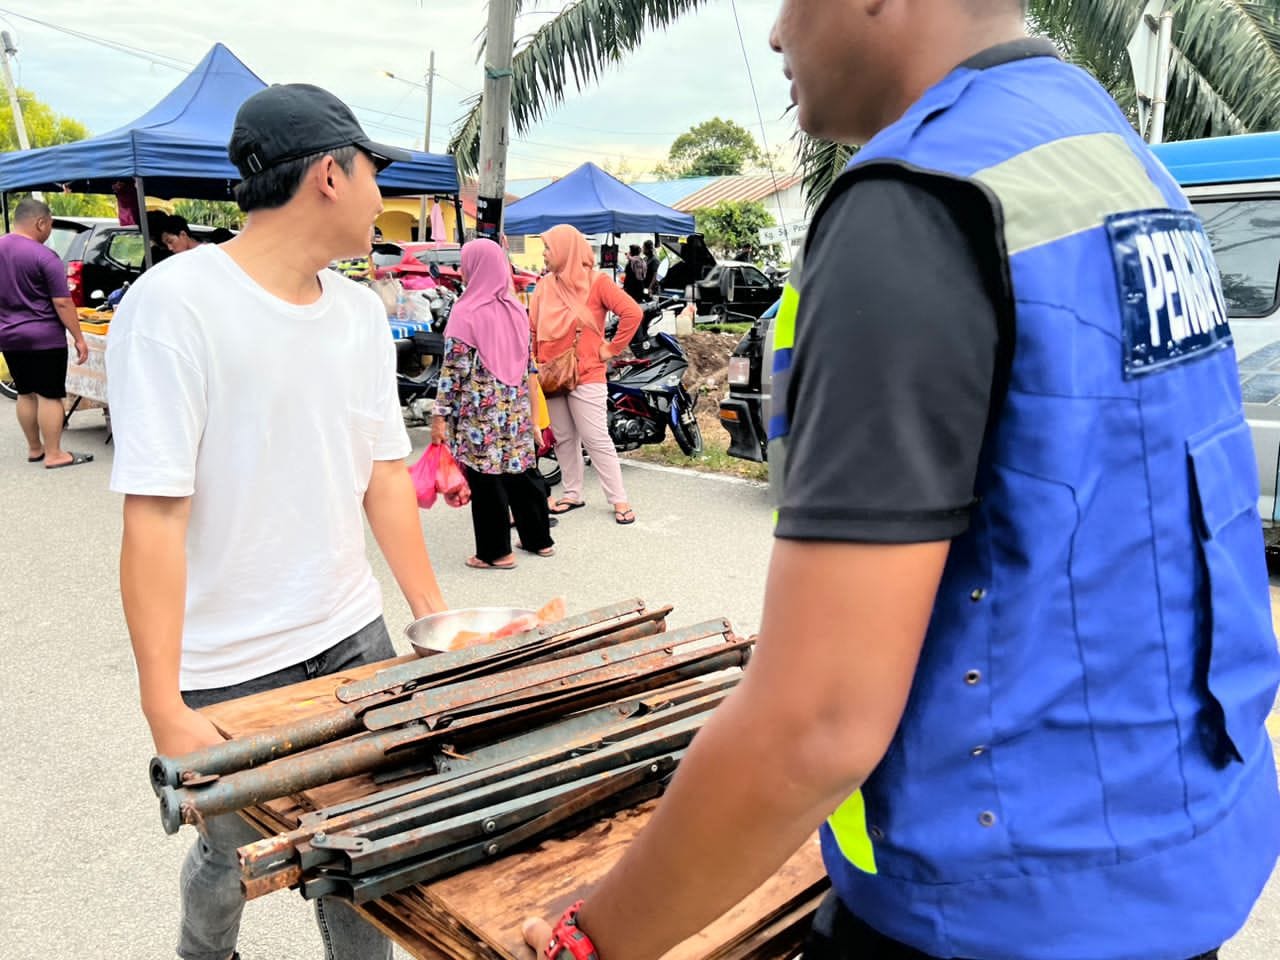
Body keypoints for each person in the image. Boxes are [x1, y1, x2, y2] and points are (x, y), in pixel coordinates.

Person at [521, 2, 1280, 960]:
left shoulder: (922, 198)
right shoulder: (1122, 162)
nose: (774, 37)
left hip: (989, 912)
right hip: (1171, 863)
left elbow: (819, 725)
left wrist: (592, 940)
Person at [106, 83, 448, 960]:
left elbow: (381, 479)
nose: (385, 199)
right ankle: (204, 951)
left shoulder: (361, 314)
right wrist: (163, 704)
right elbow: (155, 516)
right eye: (376, 175)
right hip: (227, 671)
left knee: (368, 853)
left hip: (350, 634)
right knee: (232, 858)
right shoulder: (175, 304)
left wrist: (434, 617)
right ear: (330, 175)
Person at [431, 237, 554, 570]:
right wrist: (532, 413)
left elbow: (452, 372)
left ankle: (496, 552)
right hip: (514, 409)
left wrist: (440, 416)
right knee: (521, 472)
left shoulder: (466, 311)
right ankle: (538, 540)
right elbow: (529, 365)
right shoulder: (516, 308)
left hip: (479, 412)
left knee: (487, 480)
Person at [530, 224, 643, 525]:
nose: (544, 254)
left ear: (566, 251)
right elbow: (532, 329)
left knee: (596, 438)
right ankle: (572, 493)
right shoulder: (543, 286)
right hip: (551, 374)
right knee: (564, 438)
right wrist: (532, 364)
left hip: (587, 373)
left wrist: (611, 349)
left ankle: (619, 499)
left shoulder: (597, 283)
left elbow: (633, 313)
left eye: (548, 248)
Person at [0, 197, 92, 469]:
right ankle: (55, 454)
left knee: (26, 392)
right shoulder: (44, 256)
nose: (49, 231)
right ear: (40, 222)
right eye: (50, 225)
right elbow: (62, 302)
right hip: (44, 338)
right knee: (50, 395)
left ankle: (34, 448)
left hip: (9, 336)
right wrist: (79, 337)